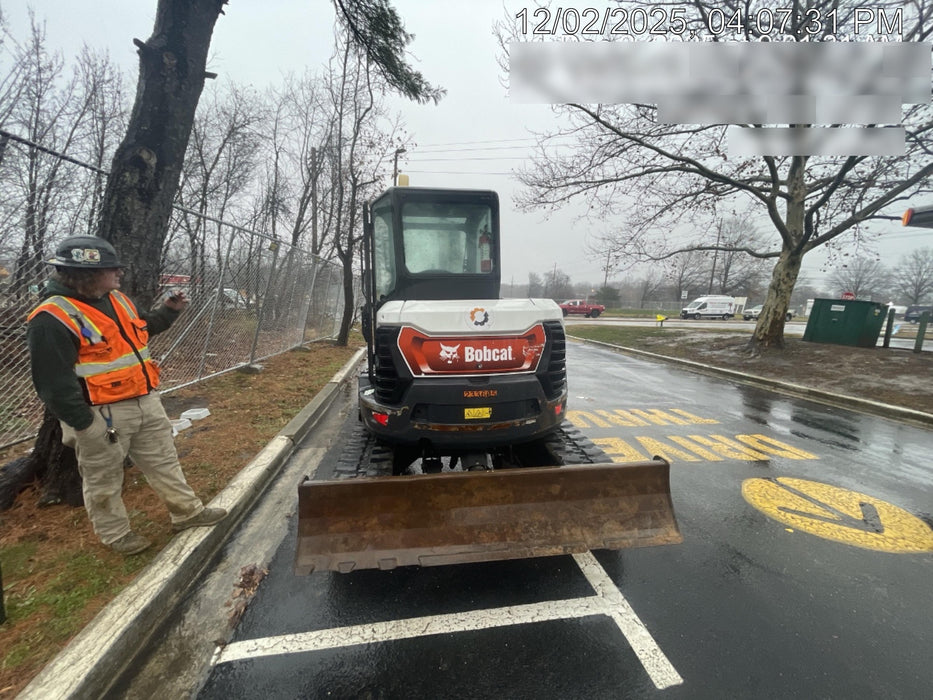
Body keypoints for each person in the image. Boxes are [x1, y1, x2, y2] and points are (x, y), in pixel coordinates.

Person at [27, 235, 226, 555]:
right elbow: (53, 384)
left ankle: (187, 513)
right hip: (100, 414)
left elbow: (141, 330)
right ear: (87, 275)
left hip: (144, 400)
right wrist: (84, 424)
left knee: (164, 461)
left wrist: (169, 312)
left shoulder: (117, 299)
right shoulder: (51, 318)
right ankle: (116, 535)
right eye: (111, 268)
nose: (119, 272)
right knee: (102, 478)